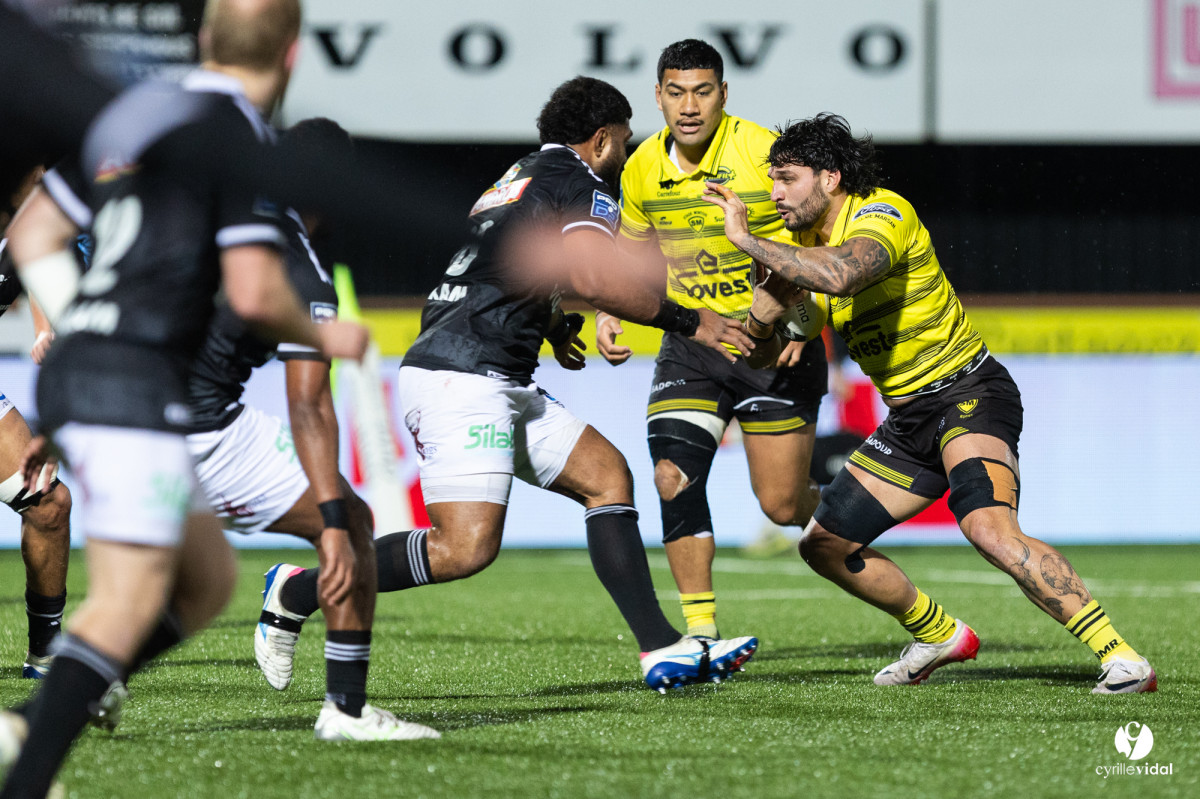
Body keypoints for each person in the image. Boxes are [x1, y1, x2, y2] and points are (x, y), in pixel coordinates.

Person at [255, 75, 759, 694]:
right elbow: (595, 279)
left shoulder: (516, 177)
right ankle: (297, 591)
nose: (625, 157)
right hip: (464, 379)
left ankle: (659, 647)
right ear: (602, 139)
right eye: (624, 142)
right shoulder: (583, 182)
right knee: (463, 549)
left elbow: (505, 267)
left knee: (607, 476)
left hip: (485, 372)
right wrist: (692, 321)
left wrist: (553, 325)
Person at [0, 1, 372, 795]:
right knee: (128, 600)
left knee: (205, 580)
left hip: (89, 374)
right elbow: (253, 289)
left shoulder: (138, 112)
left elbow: (29, 236)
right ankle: (30, 744)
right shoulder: (237, 138)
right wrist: (327, 333)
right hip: (130, 379)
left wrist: (83, 336)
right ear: (293, 54)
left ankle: (43, 715)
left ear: (204, 38)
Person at [701, 112, 1156, 694]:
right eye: (771, 180)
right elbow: (769, 356)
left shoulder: (882, 213)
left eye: (787, 178)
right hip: (909, 417)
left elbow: (842, 275)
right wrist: (762, 320)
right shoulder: (799, 252)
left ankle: (1122, 658)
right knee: (823, 545)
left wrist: (745, 240)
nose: (774, 194)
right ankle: (939, 634)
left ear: (831, 177)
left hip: (969, 391)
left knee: (989, 529)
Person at [185, 117, 436, 740]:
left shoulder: (217, 206)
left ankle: (54, 705)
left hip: (117, 409)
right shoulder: (297, 263)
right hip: (199, 431)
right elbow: (308, 405)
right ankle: (345, 709)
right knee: (352, 524)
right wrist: (329, 519)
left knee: (143, 592)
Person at [596, 39, 828, 639]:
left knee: (781, 506)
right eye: (676, 92)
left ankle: (844, 513)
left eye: (703, 91)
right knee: (671, 476)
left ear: (724, 94)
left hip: (775, 344)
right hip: (695, 346)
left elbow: (820, 239)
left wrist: (808, 318)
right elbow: (629, 255)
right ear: (658, 96)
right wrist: (608, 311)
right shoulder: (641, 167)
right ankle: (700, 635)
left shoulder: (763, 154)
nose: (689, 106)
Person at [0, 173, 73, 680]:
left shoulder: (30, 228)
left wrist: (45, 329)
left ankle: (46, 654)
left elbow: (39, 255)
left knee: (48, 505)